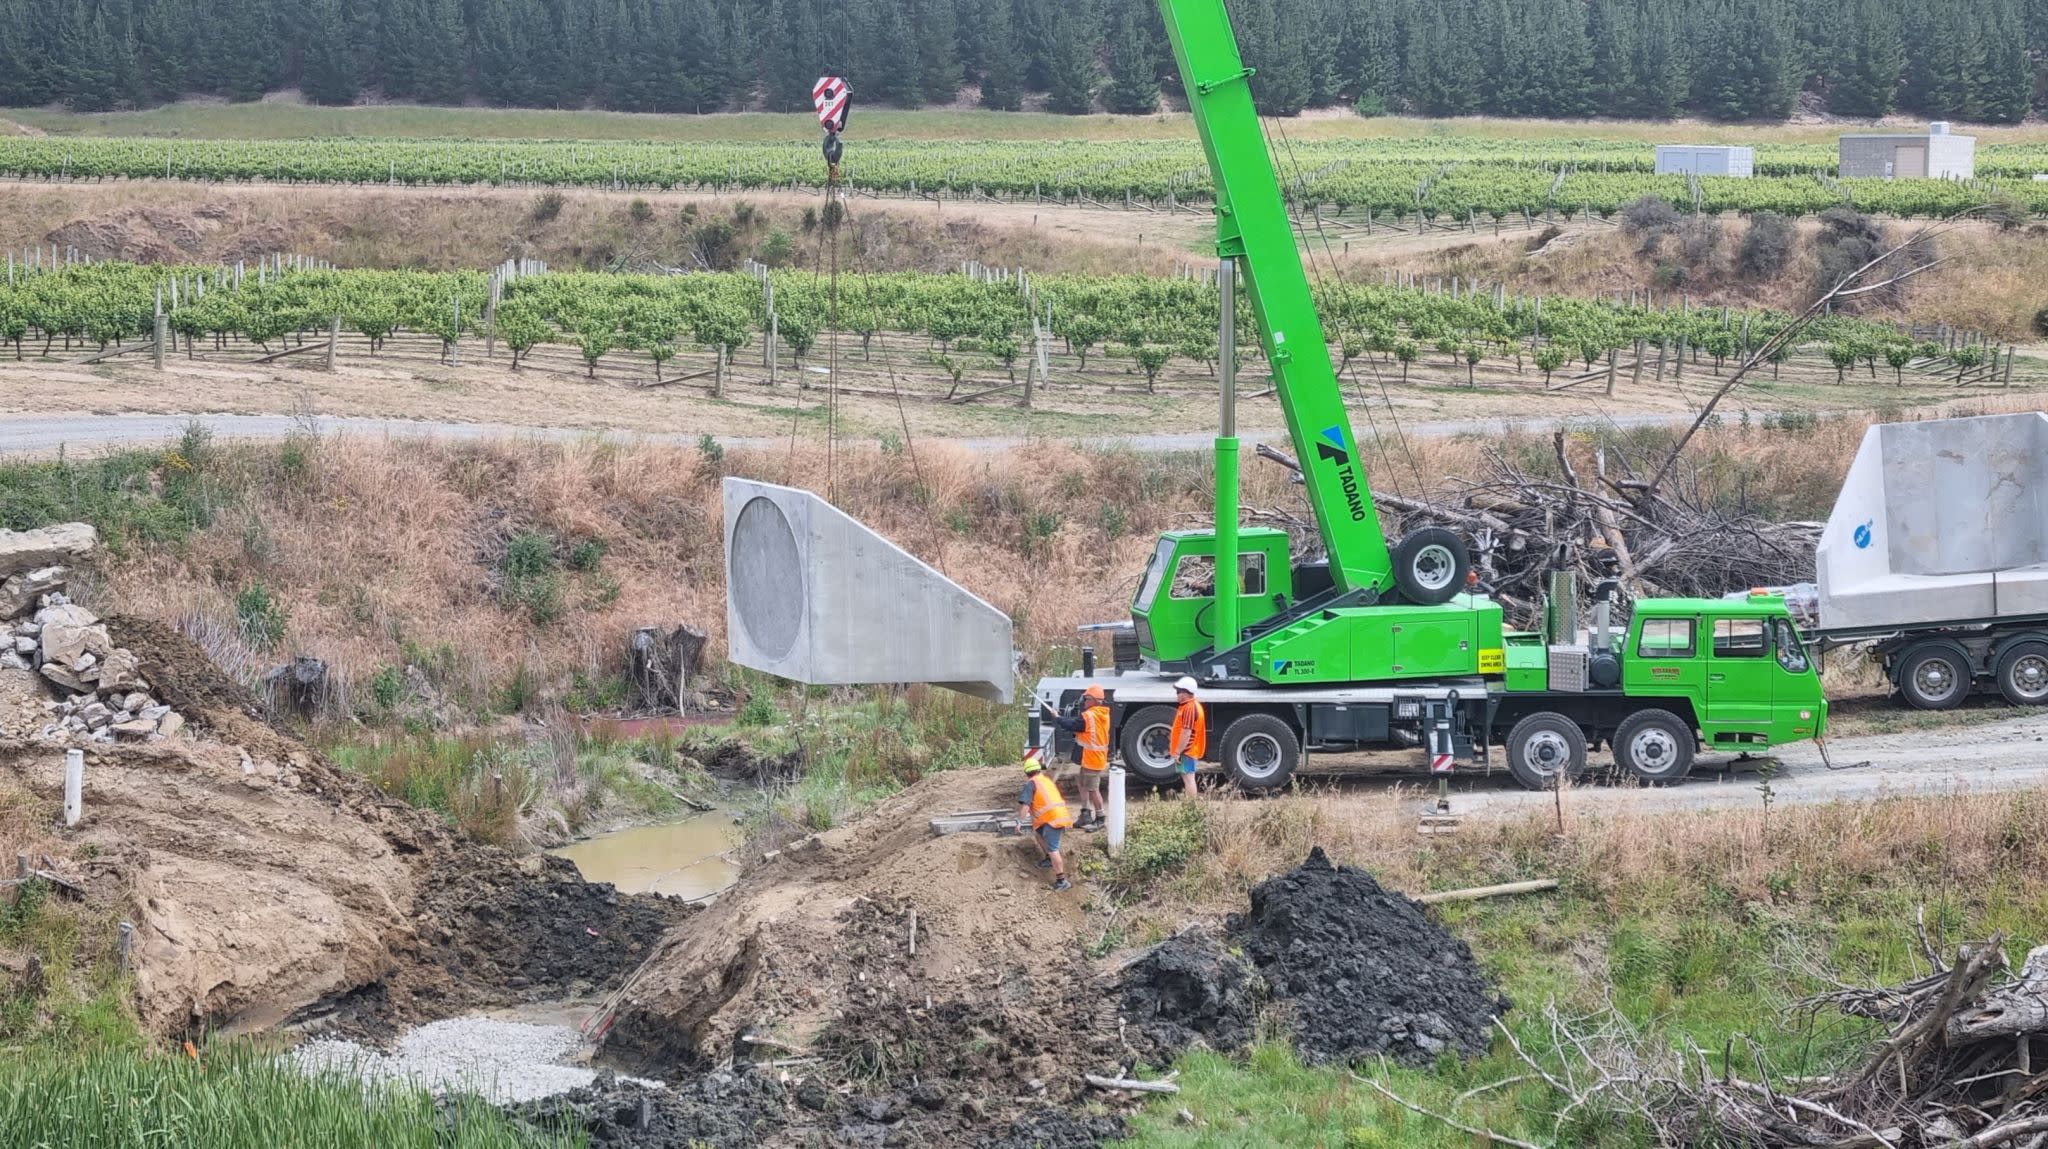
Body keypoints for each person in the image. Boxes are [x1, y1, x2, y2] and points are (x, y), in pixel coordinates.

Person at [1045, 685, 1111, 829]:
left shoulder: (1090, 716)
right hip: (1091, 758)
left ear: (1094, 700)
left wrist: (1058, 718)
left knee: (1093, 789)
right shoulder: (1100, 714)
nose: (1084, 702)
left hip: (1092, 759)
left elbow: (1073, 724)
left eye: (1086, 699)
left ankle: (1100, 818)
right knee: (1082, 783)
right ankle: (1085, 814)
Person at [1017, 748, 1074, 891]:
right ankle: (1049, 859)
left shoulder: (1030, 783)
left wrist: (1019, 822)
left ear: (1026, 773)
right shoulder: (1045, 780)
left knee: (1054, 849)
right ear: (1038, 770)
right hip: (1057, 816)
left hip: (1051, 820)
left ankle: (1062, 881)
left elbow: (1025, 805)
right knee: (1037, 834)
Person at [1169, 676, 1206, 800]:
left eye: (1179, 692)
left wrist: (1178, 752)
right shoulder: (1190, 706)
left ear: (1186, 692)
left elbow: (1186, 732)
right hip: (1188, 750)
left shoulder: (1189, 708)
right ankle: (1191, 807)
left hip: (1187, 751)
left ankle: (1190, 808)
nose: (1177, 694)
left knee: (1189, 779)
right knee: (1189, 778)